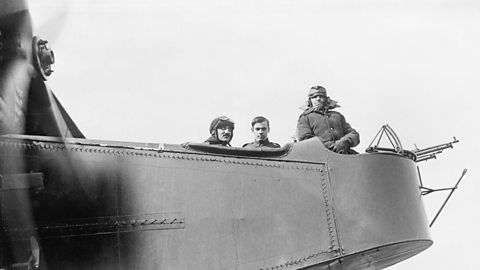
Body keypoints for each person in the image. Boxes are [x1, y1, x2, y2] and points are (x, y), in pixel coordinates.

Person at [297, 86, 359, 154]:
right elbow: (306, 140)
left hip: (343, 154)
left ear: (326, 99)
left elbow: (353, 134)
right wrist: (331, 146)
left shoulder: (337, 116)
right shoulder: (305, 118)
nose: (318, 99)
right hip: (320, 157)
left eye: (321, 96)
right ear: (310, 101)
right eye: (314, 97)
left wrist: (345, 142)